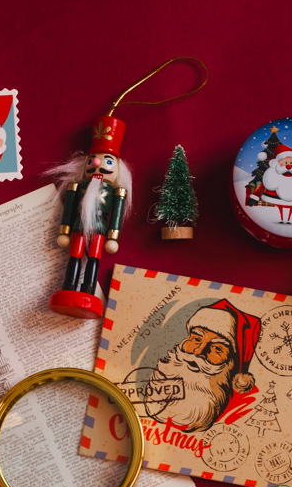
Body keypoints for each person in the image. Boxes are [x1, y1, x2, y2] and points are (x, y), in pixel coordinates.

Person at [48, 115, 132, 319]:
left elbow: (115, 215)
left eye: (107, 160)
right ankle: (69, 285)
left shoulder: (116, 192)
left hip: (99, 230)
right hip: (78, 227)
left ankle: (88, 288)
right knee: (75, 256)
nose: (97, 163)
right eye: (93, 159)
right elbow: (68, 210)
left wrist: (113, 237)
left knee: (94, 259)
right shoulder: (78, 187)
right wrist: (64, 230)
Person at [144, 299, 261, 430]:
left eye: (217, 348)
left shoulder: (241, 411)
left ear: (231, 365)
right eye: (196, 339)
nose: (199, 352)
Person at [252, 144, 292, 224]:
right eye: (285, 162)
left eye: (291, 162)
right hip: (274, 196)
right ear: (276, 163)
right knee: (281, 206)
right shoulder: (273, 175)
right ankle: (283, 219)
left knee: (291, 207)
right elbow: (263, 185)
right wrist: (255, 197)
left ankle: (287, 220)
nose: (288, 165)